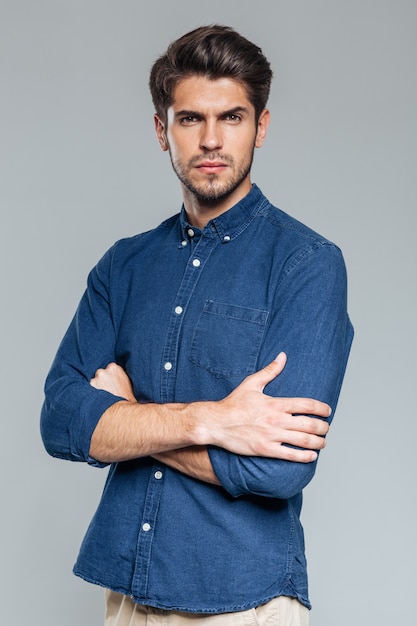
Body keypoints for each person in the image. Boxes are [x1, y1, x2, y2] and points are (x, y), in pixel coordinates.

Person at [41, 25, 353, 626]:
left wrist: (130, 417)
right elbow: (60, 420)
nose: (211, 140)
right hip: (126, 594)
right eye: (190, 119)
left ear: (260, 126)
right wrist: (213, 419)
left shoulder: (307, 266)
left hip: (243, 600)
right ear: (163, 130)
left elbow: (279, 467)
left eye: (231, 117)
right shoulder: (123, 265)